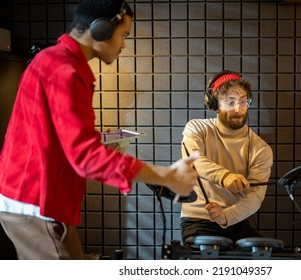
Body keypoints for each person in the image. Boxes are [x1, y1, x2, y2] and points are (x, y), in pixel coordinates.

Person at [0, 0, 198, 260]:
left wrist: (99, 145)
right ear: (103, 28)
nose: (124, 44)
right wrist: (167, 176)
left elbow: (57, 138)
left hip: (31, 201)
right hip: (38, 202)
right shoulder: (65, 70)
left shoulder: (55, 61)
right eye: (124, 35)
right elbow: (84, 156)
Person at [180, 70, 273, 245]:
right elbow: (193, 161)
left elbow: (255, 197)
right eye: (230, 102)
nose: (238, 109)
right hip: (197, 218)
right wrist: (225, 176)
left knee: (265, 256)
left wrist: (226, 216)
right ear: (214, 104)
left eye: (243, 101)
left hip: (234, 219)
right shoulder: (197, 128)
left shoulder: (260, 149)